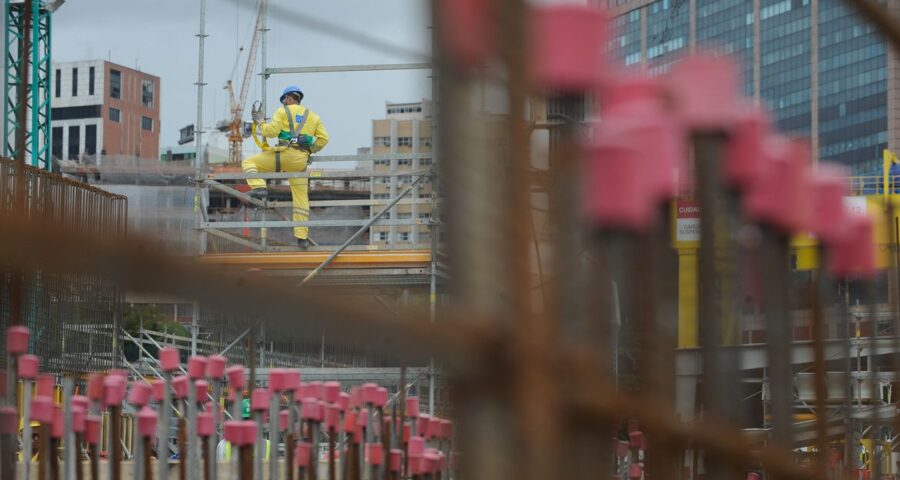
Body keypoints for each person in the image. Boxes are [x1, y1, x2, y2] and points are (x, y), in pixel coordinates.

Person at [244, 85, 329, 249]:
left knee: (249, 163)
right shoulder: (313, 117)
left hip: (282, 155)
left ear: (288, 98)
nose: (283, 103)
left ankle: (259, 187)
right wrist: (310, 149)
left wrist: (260, 122)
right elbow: (324, 139)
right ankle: (302, 238)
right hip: (300, 160)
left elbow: (270, 132)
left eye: (284, 100)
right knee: (301, 198)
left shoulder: (282, 112)